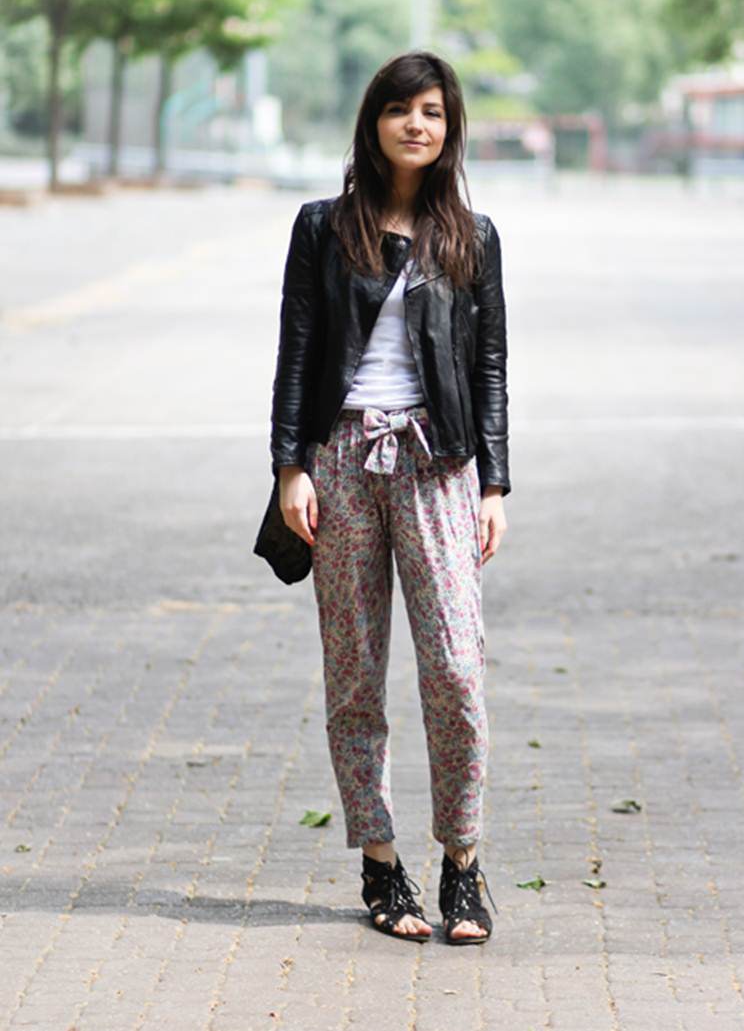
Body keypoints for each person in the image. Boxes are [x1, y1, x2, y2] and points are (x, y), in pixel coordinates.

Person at [270, 50, 510, 945]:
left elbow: (490, 366)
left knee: (454, 666)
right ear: (372, 122)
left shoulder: (472, 235)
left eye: (433, 112)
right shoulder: (323, 226)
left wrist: (494, 482)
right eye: (401, 109)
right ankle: (379, 859)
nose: (417, 124)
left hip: (438, 465)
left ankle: (462, 862)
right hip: (339, 462)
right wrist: (289, 465)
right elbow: (298, 349)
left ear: (449, 129)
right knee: (354, 674)